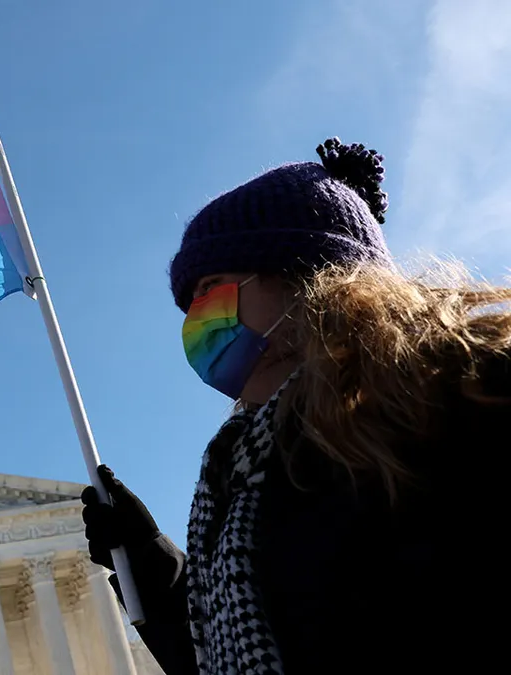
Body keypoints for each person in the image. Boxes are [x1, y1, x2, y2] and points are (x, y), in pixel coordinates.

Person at [81, 137, 509, 674]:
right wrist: (148, 562)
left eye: (210, 286)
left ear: (307, 278)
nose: (197, 318)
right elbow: (241, 652)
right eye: (190, 303)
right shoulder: (241, 477)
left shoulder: (466, 395)